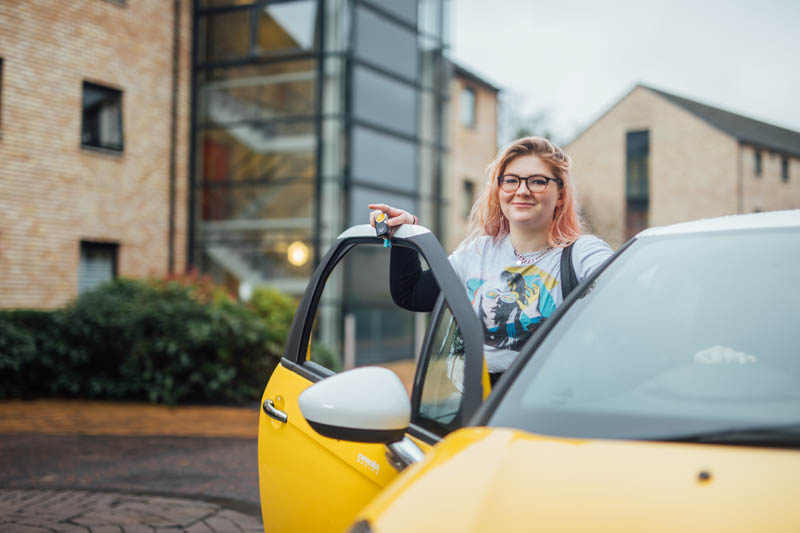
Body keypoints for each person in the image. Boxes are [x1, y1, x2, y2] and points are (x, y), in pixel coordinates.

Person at [369, 136, 613, 386]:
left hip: (549, 407)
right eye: (511, 181)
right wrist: (406, 234)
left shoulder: (583, 253)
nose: (522, 191)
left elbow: (625, 300)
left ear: (560, 194)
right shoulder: (478, 252)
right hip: (478, 406)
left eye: (538, 181)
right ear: (499, 189)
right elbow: (411, 294)